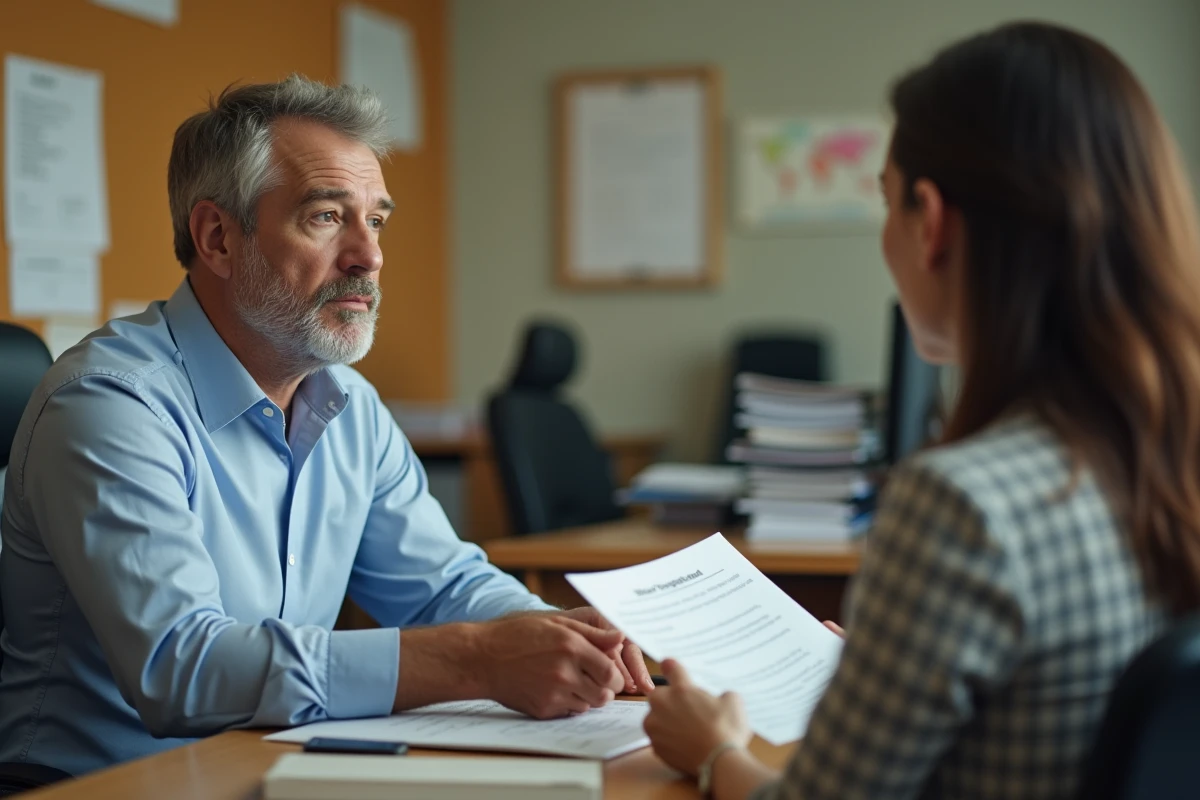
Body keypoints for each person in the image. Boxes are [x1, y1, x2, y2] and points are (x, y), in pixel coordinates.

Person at [0, 76, 652, 777]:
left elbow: (442, 587)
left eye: (375, 220)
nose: (368, 257)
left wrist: (567, 637)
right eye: (325, 216)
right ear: (218, 238)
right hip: (105, 787)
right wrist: (476, 658)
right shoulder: (110, 404)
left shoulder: (349, 405)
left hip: (269, 768)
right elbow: (181, 668)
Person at [643, 21, 1200, 800]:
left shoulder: (964, 505)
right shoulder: (1165, 459)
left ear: (930, 221)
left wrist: (713, 750)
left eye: (885, 201)